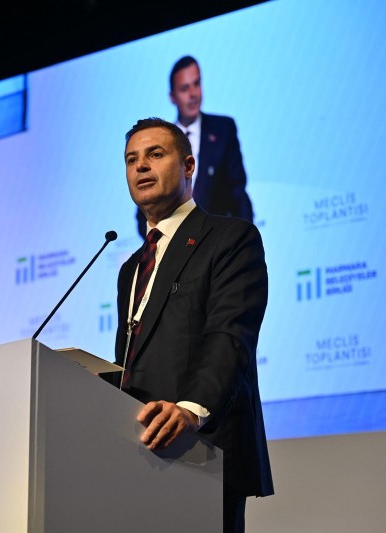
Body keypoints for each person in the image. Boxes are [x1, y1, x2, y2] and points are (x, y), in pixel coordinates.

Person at [114, 117, 273, 533]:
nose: (141, 166)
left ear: (188, 166)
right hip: (136, 454)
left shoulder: (230, 238)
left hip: (203, 448)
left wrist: (190, 410)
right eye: (131, 159)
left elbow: (230, 336)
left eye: (155, 154)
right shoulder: (131, 268)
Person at [136, 55, 254, 238]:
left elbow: (238, 193)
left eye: (197, 84)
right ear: (172, 97)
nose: (193, 94)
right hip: (177, 247)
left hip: (220, 241)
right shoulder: (159, 143)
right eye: (184, 88)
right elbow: (145, 211)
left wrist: (244, 239)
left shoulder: (224, 129)